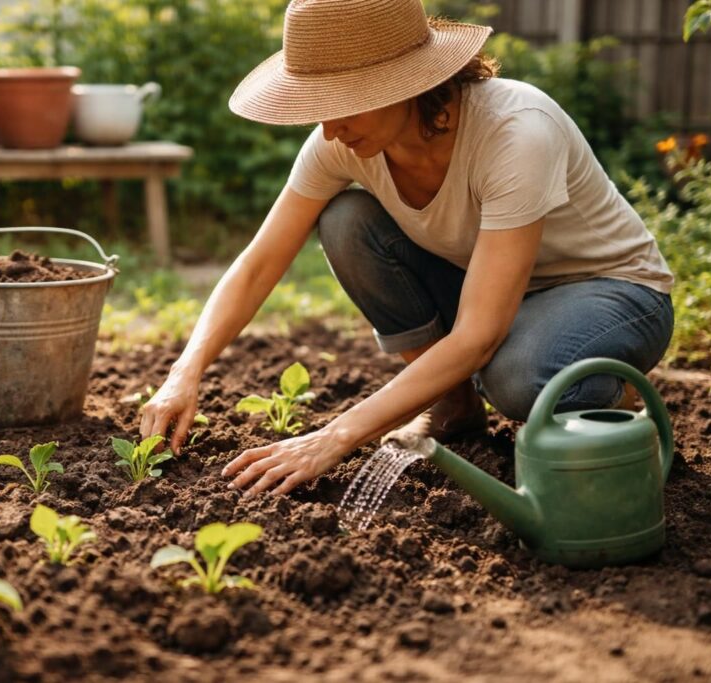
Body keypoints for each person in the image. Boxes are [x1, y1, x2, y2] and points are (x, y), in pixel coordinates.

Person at [139, 0, 674, 498]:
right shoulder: (343, 142)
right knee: (348, 221)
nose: (328, 127)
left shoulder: (516, 133)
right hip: (493, 289)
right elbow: (258, 264)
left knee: (517, 378)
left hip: (612, 293)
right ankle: (454, 406)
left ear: (404, 84)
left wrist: (336, 436)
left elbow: (478, 336)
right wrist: (183, 373)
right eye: (316, 105)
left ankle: (614, 406)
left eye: (341, 102)